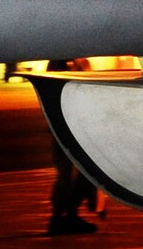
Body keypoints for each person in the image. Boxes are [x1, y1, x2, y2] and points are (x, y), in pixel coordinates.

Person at [43, 59, 103, 234]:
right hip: (66, 123)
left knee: (82, 172)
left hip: (77, 123)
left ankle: (68, 214)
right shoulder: (62, 62)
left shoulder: (75, 61)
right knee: (68, 172)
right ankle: (61, 216)